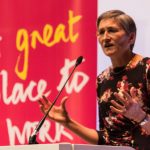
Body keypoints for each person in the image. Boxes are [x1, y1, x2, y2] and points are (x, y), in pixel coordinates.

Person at [39, 10, 150, 150]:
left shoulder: (146, 68)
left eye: (112, 30)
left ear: (131, 37)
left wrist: (141, 117)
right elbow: (106, 138)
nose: (105, 37)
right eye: (101, 32)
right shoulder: (103, 79)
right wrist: (67, 122)